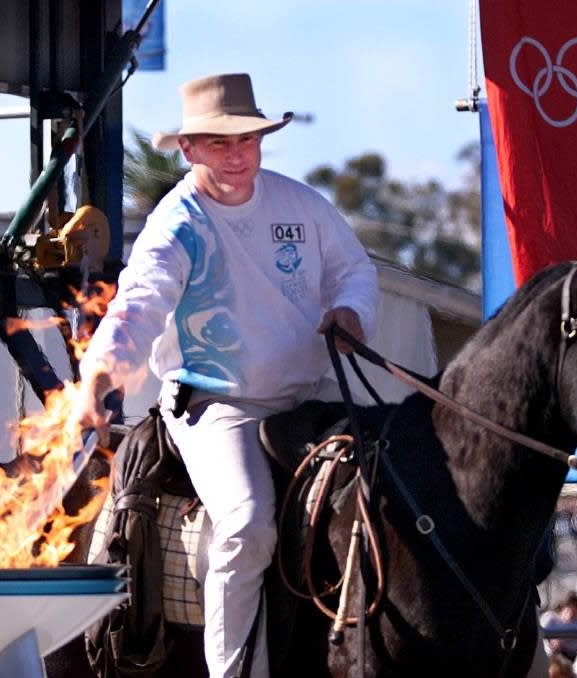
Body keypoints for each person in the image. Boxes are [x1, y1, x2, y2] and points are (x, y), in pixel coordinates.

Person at [76, 73, 378, 678]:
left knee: (389, 496)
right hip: (216, 406)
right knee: (246, 525)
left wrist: (350, 312)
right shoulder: (177, 222)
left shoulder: (303, 205)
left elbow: (354, 270)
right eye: (219, 143)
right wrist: (101, 374)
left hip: (310, 399)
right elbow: (139, 304)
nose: (237, 155)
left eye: (247, 140)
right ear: (188, 148)